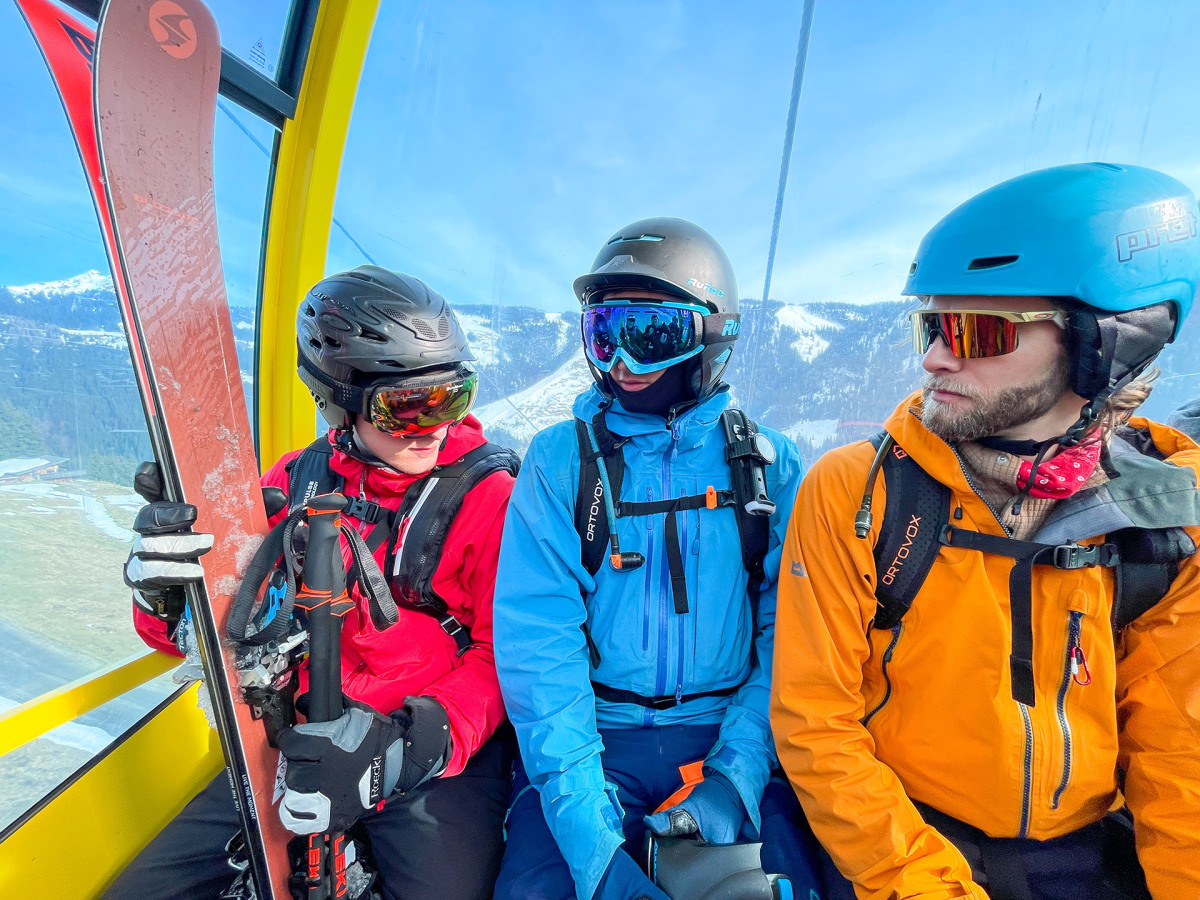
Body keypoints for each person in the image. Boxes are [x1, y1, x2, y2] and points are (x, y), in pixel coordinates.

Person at [771, 163, 1200, 899]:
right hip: (901, 838)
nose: (935, 356)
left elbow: (1180, 751)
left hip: (1088, 854)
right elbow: (818, 727)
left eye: (978, 331)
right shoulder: (860, 493)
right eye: (932, 325)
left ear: (1106, 344)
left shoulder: (1165, 509)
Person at [109, 266, 516, 900]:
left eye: (451, 397)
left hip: (431, 755)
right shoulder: (294, 483)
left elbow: (502, 658)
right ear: (341, 400)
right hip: (296, 741)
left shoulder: (488, 499)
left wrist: (406, 749)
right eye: (405, 405)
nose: (434, 425)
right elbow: (228, 625)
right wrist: (164, 601)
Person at [491, 218, 849, 900]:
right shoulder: (562, 463)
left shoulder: (768, 469)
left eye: (651, 335)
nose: (621, 363)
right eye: (603, 334)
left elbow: (792, 637)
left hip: (731, 732)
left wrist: (735, 778)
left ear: (711, 338)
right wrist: (593, 847)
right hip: (593, 740)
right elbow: (541, 649)